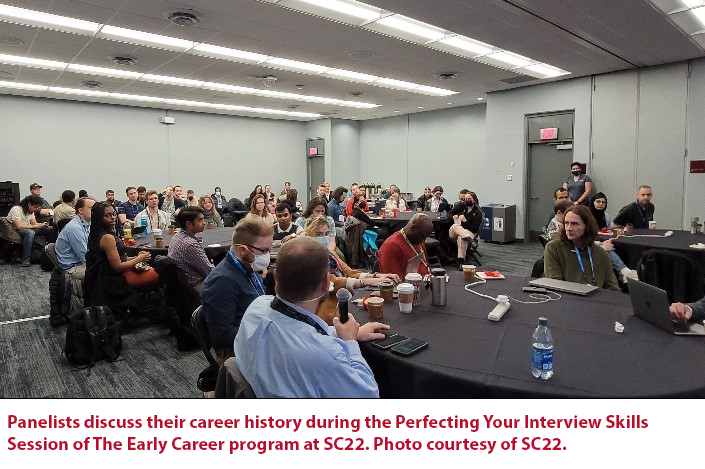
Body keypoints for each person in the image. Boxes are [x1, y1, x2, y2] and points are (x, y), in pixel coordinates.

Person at [234, 236, 389, 398]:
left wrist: (342, 333)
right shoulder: (325, 355)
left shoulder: (255, 307)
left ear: (276, 277)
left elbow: (297, 329)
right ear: (325, 284)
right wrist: (350, 342)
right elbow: (368, 395)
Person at [200, 217, 274, 366]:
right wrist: (268, 332)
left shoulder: (248, 268)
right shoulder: (222, 282)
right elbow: (222, 336)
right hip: (237, 352)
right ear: (242, 250)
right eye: (263, 251)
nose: (267, 256)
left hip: (256, 334)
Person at [303, 216, 399, 324]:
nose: (324, 238)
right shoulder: (307, 259)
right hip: (326, 310)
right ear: (308, 235)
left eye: (326, 234)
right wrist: (365, 282)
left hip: (345, 299)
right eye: (319, 234)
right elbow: (332, 280)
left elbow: (349, 272)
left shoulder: (330, 253)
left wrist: (377, 276)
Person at [84, 202, 158, 308]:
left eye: (114, 214)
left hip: (107, 276)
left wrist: (136, 257)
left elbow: (115, 259)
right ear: (98, 217)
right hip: (115, 280)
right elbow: (118, 267)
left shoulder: (96, 234)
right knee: (159, 272)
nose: (112, 218)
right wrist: (139, 258)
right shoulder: (107, 238)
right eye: (107, 215)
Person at [543, 205, 619, 290]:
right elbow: (555, 285)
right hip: (568, 299)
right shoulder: (554, 248)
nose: (568, 228)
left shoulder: (601, 253)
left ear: (587, 226)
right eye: (566, 223)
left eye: (574, 224)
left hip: (596, 300)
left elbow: (613, 288)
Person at [168, 207, 213, 292]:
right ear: (189, 224)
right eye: (200, 220)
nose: (204, 223)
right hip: (197, 285)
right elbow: (210, 272)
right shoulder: (190, 245)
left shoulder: (176, 237)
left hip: (182, 284)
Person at [378, 213, 433, 279]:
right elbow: (394, 282)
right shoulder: (391, 246)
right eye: (422, 236)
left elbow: (425, 265)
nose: (423, 240)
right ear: (412, 228)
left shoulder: (417, 241)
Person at [55, 197, 95, 280]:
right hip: (73, 268)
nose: (96, 211)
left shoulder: (87, 224)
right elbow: (85, 256)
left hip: (81, 263)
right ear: (80, 211)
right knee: (106, 272)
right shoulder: (74, 228)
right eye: (92, 208)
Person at [7, 195, 52, 266]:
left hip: (27, 228)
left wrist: (42, 225)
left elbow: (34, 223)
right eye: (35, 207)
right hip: (16, 231)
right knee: (29, 233)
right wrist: (36, 226)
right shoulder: (16, 209)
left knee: (50, 229)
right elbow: (19, 226)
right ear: (29, 204)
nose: (35, 209)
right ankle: (26, 259)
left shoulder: (30, 212)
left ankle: (51, 253)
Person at [448, 190, 483, 268]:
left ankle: (461, 261)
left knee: (461, 238)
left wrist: (465, 221)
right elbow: (449, 214)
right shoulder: (462, 206)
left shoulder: (477, 212)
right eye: (465, 198)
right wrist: (453, 217)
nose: (466, 200)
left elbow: (475, 229)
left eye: (469, 198)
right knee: (454, 226)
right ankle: (471, 241)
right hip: (455, 231)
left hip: (469, 232)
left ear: (474, 200)